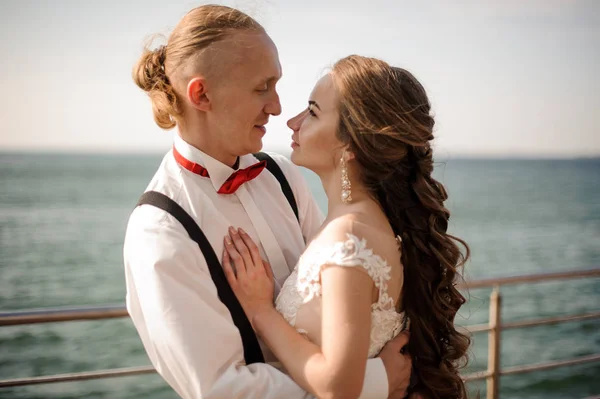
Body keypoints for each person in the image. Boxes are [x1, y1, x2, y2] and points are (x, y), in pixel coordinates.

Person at [123, 5, 413, 399]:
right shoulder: (159, 229)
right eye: (262, 87)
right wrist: (374, 381)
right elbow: (221, 388)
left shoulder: (281, 174)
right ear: (201, 94)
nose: (277, 107)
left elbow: (342, 291)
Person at [221, 55, 471, 399]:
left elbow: (339, 386)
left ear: (351, 143)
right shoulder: (366, 224)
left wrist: (260, 311)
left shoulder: (348, 237)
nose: (293, 122)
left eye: (312, 112)